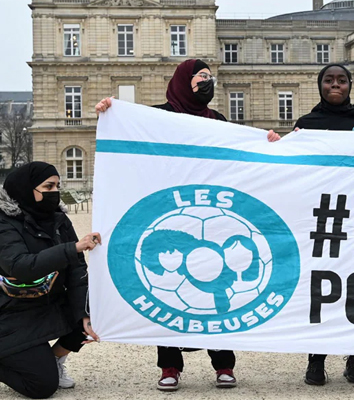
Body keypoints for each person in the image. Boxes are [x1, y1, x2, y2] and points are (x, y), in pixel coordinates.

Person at [95, 59, 280, 392]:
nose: (207, 82)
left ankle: (223, 364)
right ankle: (169, 365)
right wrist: (111, 110)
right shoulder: (158, 115)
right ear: (184, 80)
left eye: (211, 77)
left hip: (212, 213)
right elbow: (130, 139)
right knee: (166, 286)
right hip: (170, 211)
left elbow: (243, 157)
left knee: (220, 288)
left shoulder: (219, 121)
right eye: (201, 77)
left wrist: (264, 142)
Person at [295, 64, 354, 386]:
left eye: (341, 80)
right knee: (320, 291)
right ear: (320, 85)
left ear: (350, 85)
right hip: (321, 218)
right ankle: (316, 360)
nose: (335, 85)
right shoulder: (306, 125)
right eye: (329, 80)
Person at [0, 162, 101, 399]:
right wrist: (72, 248)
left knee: (97, 312)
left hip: (49, 303)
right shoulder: (4, 221)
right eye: (48, 186)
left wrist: (84, 314)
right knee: (42, 387)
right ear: (26, 188)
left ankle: (54, 359)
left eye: (57, 185)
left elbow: (77, 270)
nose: (55, 191)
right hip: (14, 312)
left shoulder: (59, 220)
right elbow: (20, 267)